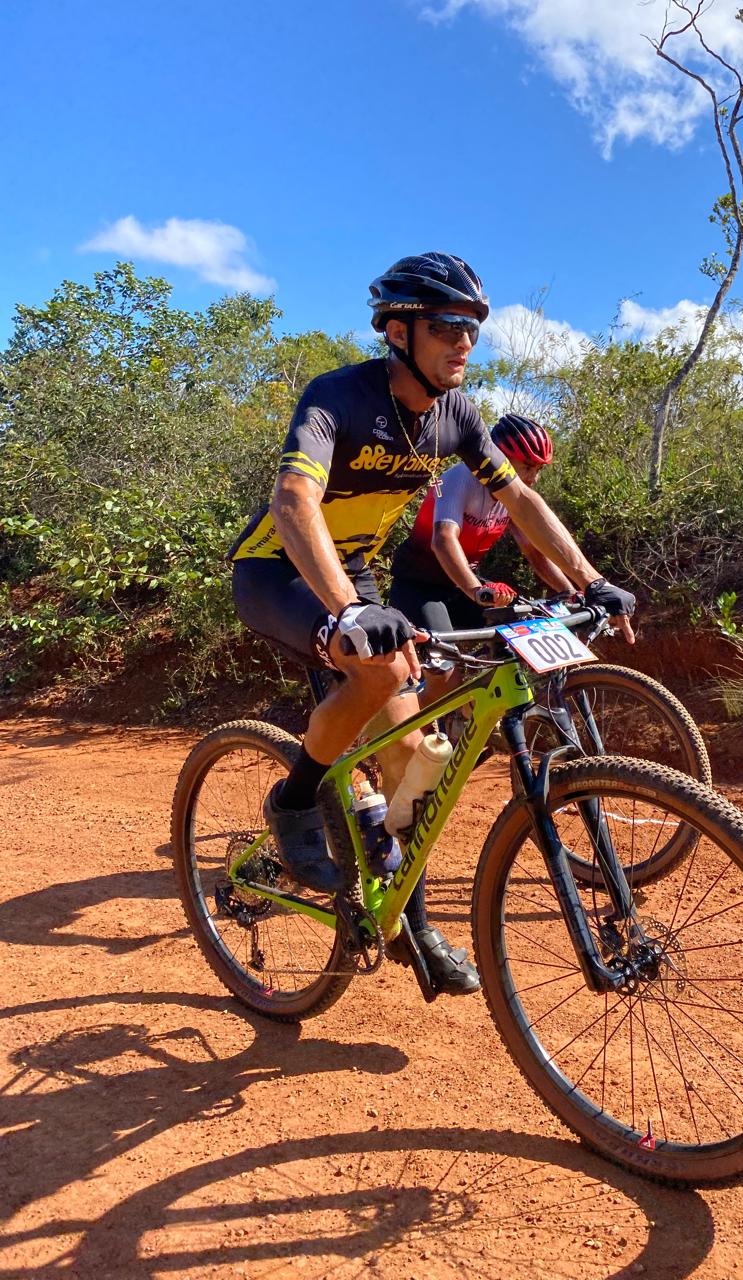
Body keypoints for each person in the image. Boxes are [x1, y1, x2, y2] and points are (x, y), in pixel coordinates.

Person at [229, 251, 636, 995]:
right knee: (384, 668)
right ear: (399, 330)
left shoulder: (457, 417)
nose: (464, 342)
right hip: (279, 570)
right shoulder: (338, 397)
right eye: (448, 325)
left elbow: (521, 502)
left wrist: (591, 579)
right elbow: (294, 501)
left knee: (413, 761)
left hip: (354, 575)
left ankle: (410, 925)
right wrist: (348, 609)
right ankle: (294, 800)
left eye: (473, 328)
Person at [390, 413, 573, 635]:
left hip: (460, 584)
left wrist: (569, 592)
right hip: (418, 586)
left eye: (538, 470)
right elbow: (443, 539)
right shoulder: (459, 478)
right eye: (527, 467)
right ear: (500, 459)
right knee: (444, 655)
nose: (533, 479)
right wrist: (477, 591)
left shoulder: (513, 497)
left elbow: (535, 551)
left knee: (522, 626)